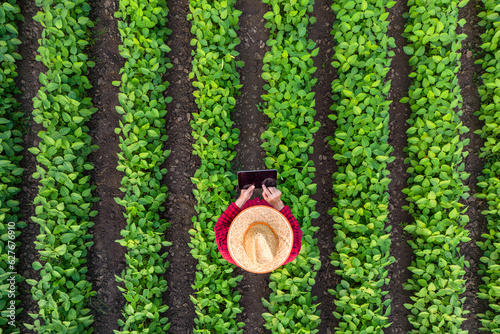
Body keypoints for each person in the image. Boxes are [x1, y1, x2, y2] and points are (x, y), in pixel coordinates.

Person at [215, 183, 302, 273]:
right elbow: (294, 227)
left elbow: (221, 226)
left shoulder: (227, 249)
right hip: (269, 209)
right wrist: (277, 203)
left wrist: (242, 200)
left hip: (246, 210)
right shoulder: (292, 249)